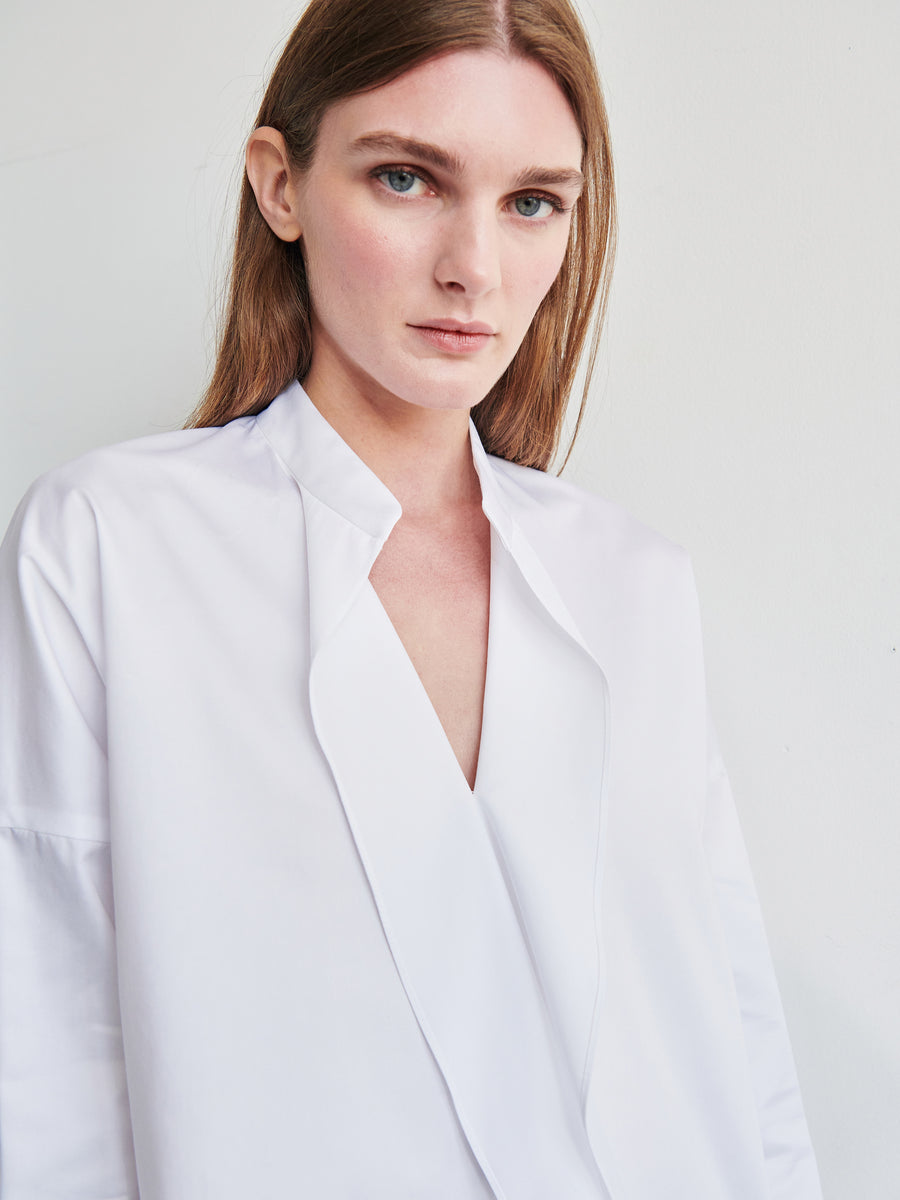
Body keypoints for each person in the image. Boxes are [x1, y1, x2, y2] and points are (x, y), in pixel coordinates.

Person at [0, 1, 823, 1197]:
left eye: (532, 201)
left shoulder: (634, 584)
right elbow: (45, 1055)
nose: (473, 268)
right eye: (406, 178)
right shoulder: (111, 548)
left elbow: (737, 1048)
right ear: (280, 185)